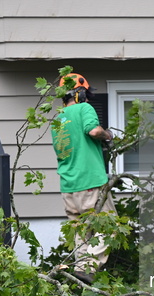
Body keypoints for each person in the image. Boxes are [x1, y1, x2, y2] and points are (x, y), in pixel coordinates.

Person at [51, 73, 116, 284]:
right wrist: (108, 136)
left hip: (68, 185)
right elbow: (93, 131)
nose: (88, 99)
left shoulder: (57, 119)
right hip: (89, 181)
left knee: (81, 231)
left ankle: (81, 273)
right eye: (86, 94)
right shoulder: (84, 108)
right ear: (79, 93)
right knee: (110, 227)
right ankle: (87, 267)